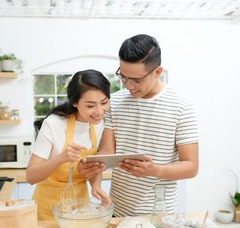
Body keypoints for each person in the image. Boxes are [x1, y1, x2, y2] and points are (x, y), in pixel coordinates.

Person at [79, 34, 199, 217]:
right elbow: (107, 151)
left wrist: (155, 170)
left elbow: (191, 167)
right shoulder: (116, 101)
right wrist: (94, 164)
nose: (128, 85)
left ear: (157, 72)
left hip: (160, 216)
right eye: (123, 76)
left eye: (136, 80)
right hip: (117, 213)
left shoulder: (181, 106)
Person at [26, 69, 111, 220]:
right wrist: (60, 158)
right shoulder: (53, 124)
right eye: (90, 105)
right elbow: (31, 176)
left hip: (80, 209)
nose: (99, 111)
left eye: (104, 102)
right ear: (75, 102)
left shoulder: (98, 124)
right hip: (48, 211)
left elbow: (91, 167)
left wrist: (96, 186)